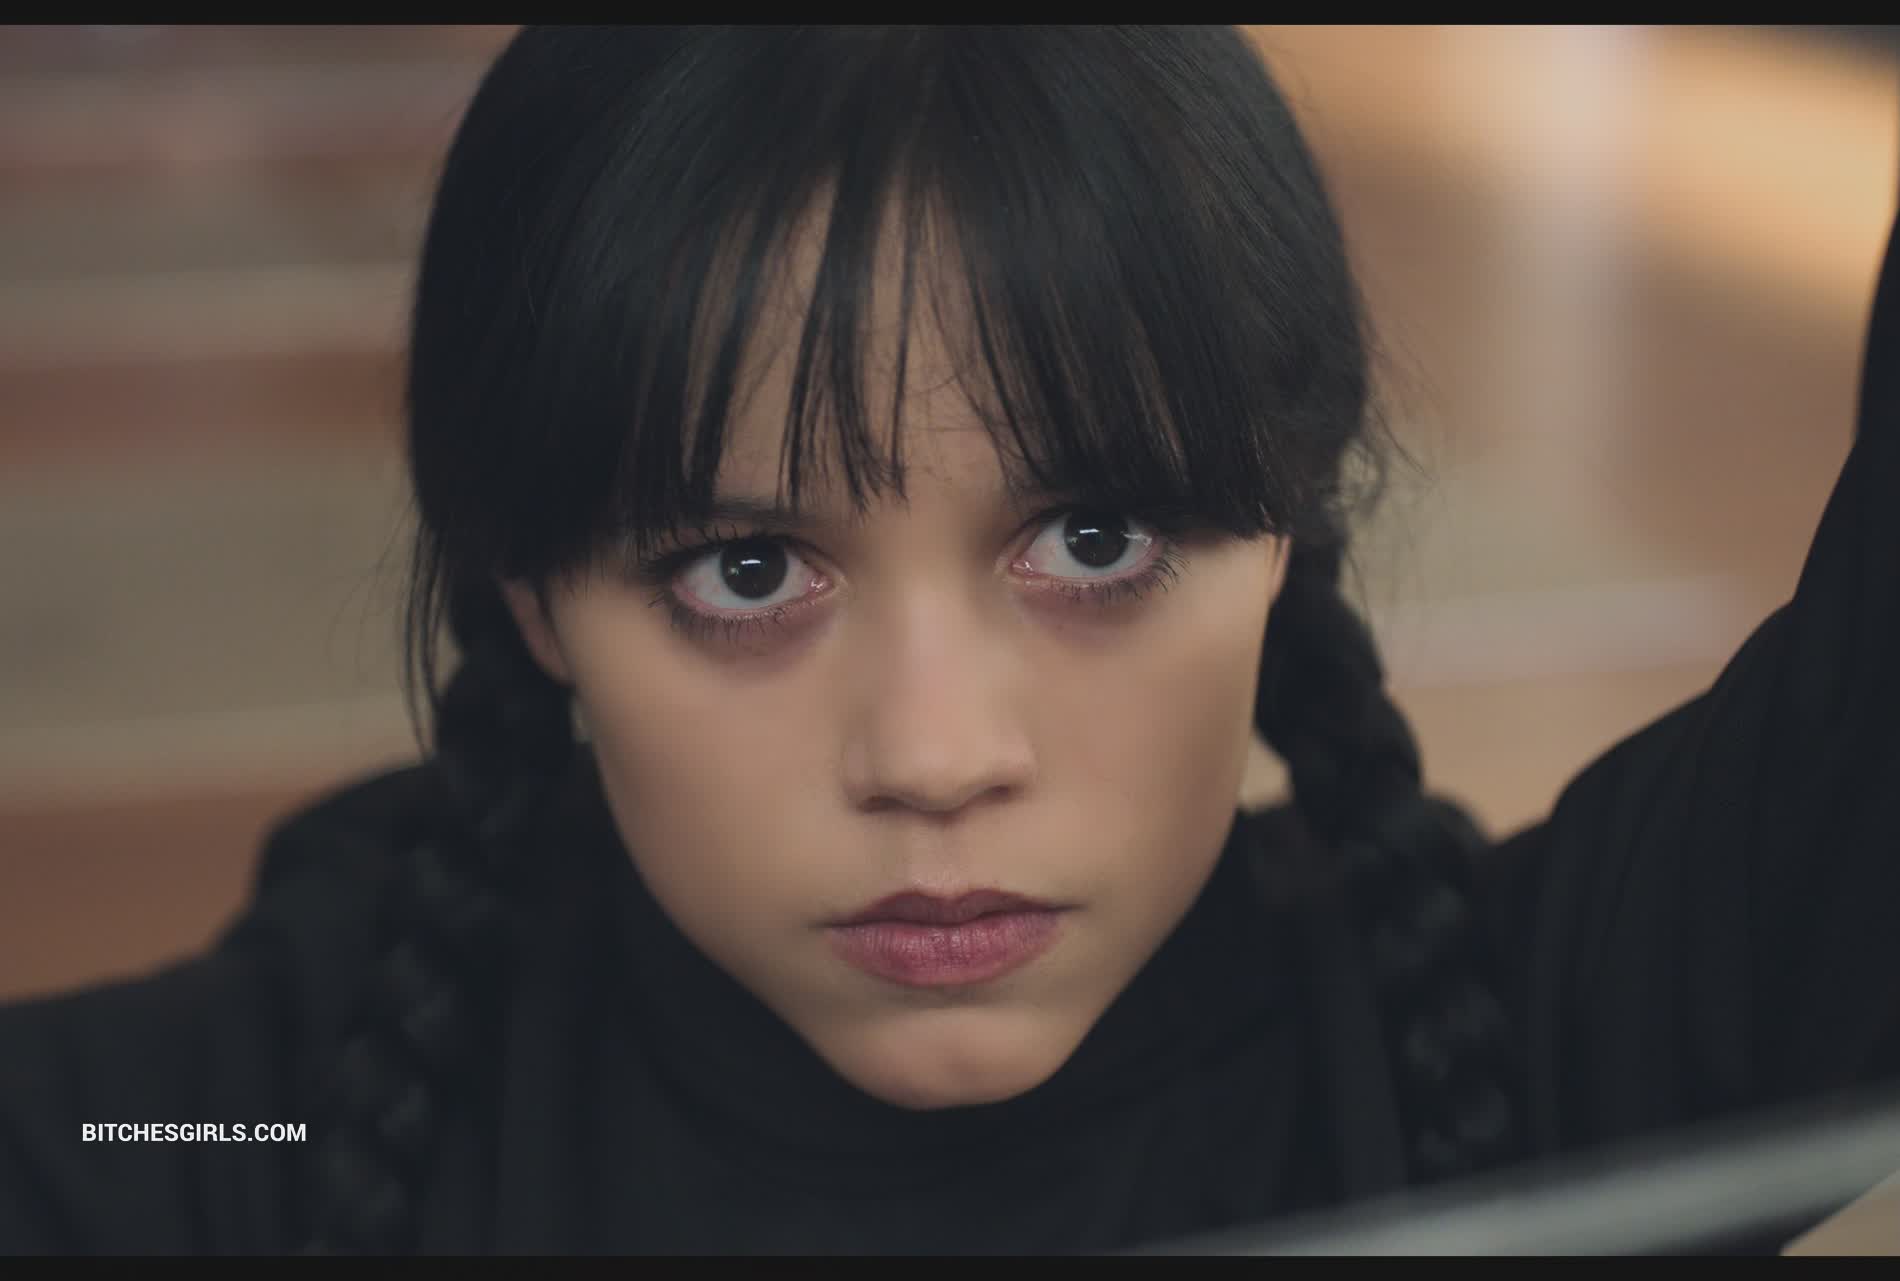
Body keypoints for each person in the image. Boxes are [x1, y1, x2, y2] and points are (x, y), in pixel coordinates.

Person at [1, 25, 1895, 1256]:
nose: (934, 753)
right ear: (532, 595)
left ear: (1283, 527)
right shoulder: (283, 1099)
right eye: (750, 570)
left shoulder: (1551, 1047)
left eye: (1093, 540)